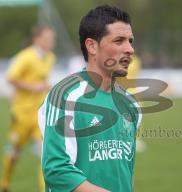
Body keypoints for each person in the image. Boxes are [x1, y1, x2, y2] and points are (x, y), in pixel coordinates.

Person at [38, 5, 141, 192]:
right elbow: (56, 170)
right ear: (92, 46)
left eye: (130, 41)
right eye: (119, 41)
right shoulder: (65, 96)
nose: (129, 49)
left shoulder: (131, 104)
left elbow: (128, 171)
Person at [1, 25, 56, 192]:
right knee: (14, 153)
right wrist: (33, 87)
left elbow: (42, 81)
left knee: (44, 153)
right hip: (22, 114)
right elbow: (11, 78)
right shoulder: (25, 57)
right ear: (37, 39)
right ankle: (4, 183)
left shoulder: (50, 57)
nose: (51, 42)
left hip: (40, 114)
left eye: (52, 39)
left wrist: (46, 87)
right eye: (47, 39)